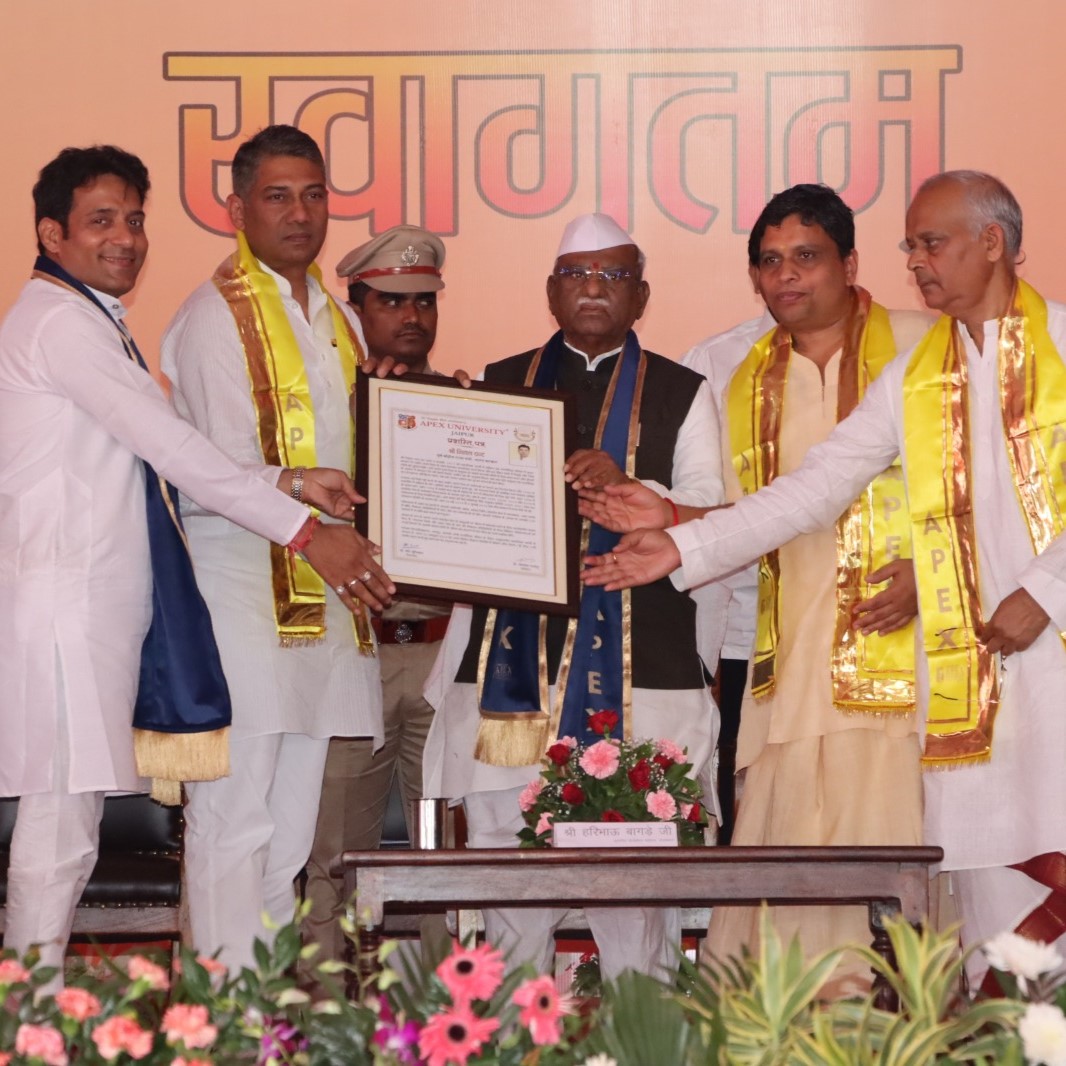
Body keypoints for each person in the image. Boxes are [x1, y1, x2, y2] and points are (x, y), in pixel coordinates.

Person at [581, 170, 1066, 988]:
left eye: (931, 243)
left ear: (992, 242)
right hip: (976, 681)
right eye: (910, 246)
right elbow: (812, 489)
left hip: (1046, 653)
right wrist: (684, 545)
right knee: (994, 908)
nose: (915, 262)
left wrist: (1045, 592)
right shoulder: (917, 375)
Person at [0, 145, 387, 987]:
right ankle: (28, 1021)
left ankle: (56, 1013)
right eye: (102, 221)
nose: (126, 238)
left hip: (100, 610)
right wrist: (305, 528)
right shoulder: (61, 322)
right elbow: (176, 450)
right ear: (51, 233)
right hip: (64, 609)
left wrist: (291, 482)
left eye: (135, 220)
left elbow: (172, 456)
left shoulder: (93, 320)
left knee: (72, 837)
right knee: (60, 838)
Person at [592, 185, 932, 990]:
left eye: (806, 256)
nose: (787, 276)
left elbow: (978, 488)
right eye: (771, 261)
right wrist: (674, 517)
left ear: (851, 263)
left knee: (905, 842)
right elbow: (757, 514)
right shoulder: (733, 374)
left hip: (912, 646)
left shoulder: (925, 347)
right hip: (790, 648)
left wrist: (934, 574)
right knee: (792, 850)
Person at [423, 212, 722, 983]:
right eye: (578, 274)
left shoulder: (685, 392)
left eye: (614, 275)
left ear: (641, 295)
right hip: (508, 690)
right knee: (508, 884)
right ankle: (510, 1033)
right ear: (551, 291)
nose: (594, 288)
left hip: (646, 676)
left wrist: (631, 486)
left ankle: (641, 1030)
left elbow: (715, 519)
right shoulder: (496, 382)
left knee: (635, 896)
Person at [161, 125, 389, 973]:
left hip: (323, 606)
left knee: (287, 837)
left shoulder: (336, 316)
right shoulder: (212, 316)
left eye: (314, 195)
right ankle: (219, 1019)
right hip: (241, 605)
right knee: (233, 823)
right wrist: (301, 497)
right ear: (237, 209)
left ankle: (257, 1012)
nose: (300, 214)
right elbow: (207, 475)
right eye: (278, 196)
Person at [302, 224, 452, 971]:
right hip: (352, 654)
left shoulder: (465, 410)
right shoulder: (325, 406)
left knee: (450, 863)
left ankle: (455, 1015)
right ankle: (322, 1016)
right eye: (391, 301)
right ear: (355, 308)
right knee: (331, 857)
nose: (411, 316)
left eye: (424, 301)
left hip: (439, 659)